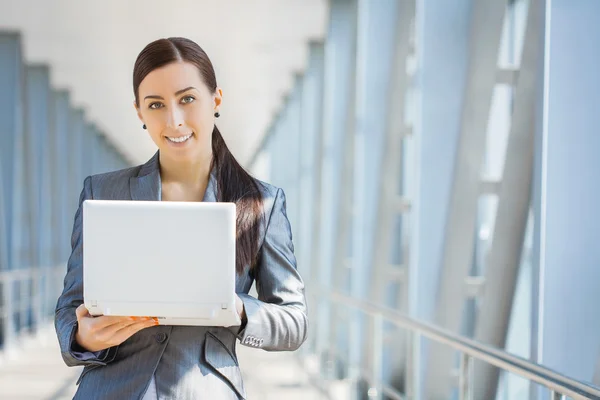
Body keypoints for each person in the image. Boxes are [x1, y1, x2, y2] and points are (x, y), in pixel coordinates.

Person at [54, 37, 308, 400]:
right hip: (110, 390)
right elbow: (69, 305)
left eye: (187, 99)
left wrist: (235, 309)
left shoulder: (261, 203)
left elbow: (294, 322)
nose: (173, 120)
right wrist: (81, 338)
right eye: (155, 105)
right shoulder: (102, 191)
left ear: (215, 99)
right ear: (140, 112)